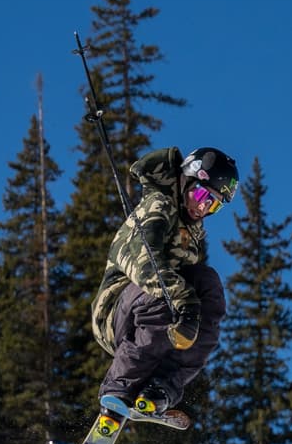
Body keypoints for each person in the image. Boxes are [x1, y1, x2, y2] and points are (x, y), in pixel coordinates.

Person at [91, 147, 237, 429]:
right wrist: (185, 303)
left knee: (209, 286)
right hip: (117, 311)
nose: (203, 207)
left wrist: (193, 313)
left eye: (214, 205)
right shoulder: (158, 206)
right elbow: (145, 265)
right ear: (185, 180)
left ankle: (159, 389)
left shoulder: (190, 230)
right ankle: (118, 389)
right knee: (171, 300)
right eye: (202, 196)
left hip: (154, 313)